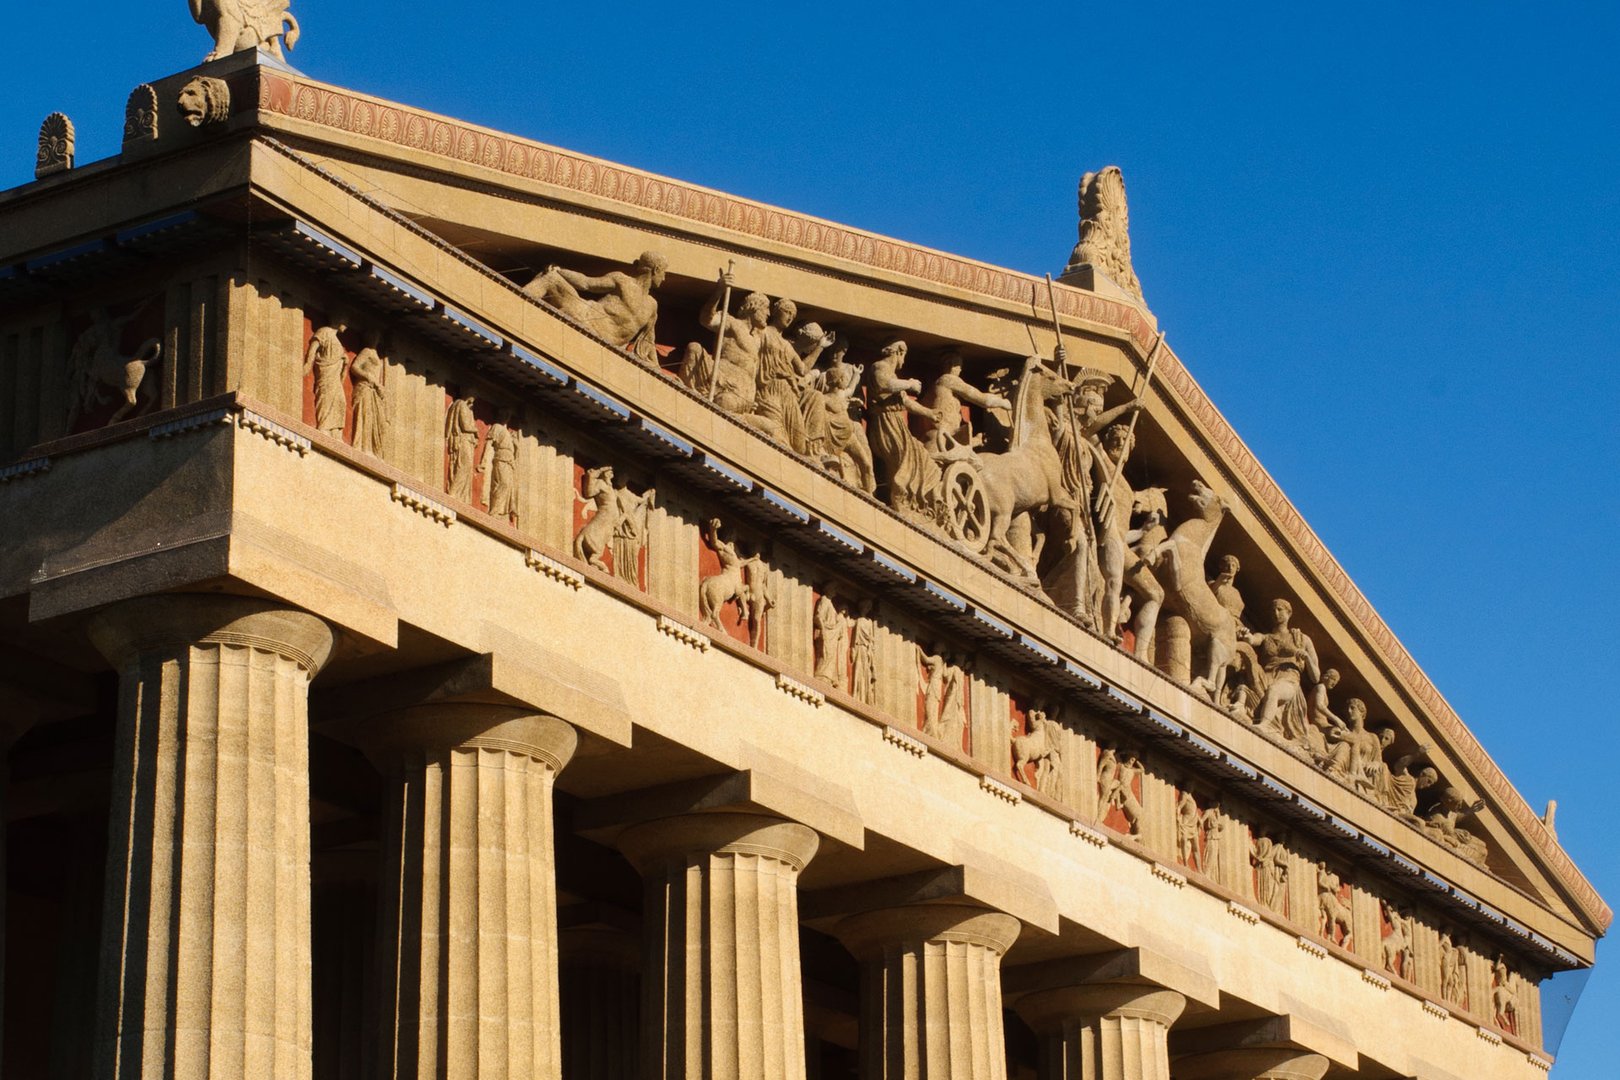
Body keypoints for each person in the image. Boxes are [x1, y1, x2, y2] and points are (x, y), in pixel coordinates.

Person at [524, 250, 666, 365]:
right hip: (584, 318)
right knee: (551, 278)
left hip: (602, 344)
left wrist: (658, 371)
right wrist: (560, 271)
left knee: (551, 279)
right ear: (656, 270)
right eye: (664, 273)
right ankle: (517, 302)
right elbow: (586, 283)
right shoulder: (623, 281)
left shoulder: (652, 306)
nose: (664, 278)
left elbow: (648, 344)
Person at [868, 340, 942, 518]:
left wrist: (929, 413)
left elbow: (906, 402)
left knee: (918, 455)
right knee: (902, 457)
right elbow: (884, 385)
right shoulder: (880, 367)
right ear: (899, 352)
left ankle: (909, 500)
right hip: (886, 421)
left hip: (895, 422)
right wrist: (908, 383)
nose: (904, 361)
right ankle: (899, 501)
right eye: (904, 356)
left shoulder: (893, 375)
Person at [680, 277, 770, 413]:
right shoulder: (732, 323)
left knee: (725, 402)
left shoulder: (758, 339)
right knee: (694, 348)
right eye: (765, 309)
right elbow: (706, 319)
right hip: (721, 378)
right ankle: (689, 396)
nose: (768, 313)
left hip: (742, 392)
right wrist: (719, 291)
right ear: (753, 307)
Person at [1245, 598, 1320, 745]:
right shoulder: (1267, 637)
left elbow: (1316, 677)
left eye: (1280, 609)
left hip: (1288, 680)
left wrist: (1307, 659)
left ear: (1289, 613)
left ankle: (1264, 725)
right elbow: (1254, 639)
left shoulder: (1302, 639)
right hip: (1266, 676)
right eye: (1273, 610)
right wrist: (1247, 636)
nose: (1276, 613)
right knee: (1245, 678)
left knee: (1274, 691)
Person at [924, 351, 1011, 453]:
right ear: (950, 365)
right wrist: (1004, 402)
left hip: (939, 439)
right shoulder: (948, 379)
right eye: (958, 366)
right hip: (942, 440)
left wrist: (976, 440)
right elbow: (982, 399)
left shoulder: (932, 388)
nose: (960, 369)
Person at [304, 321, 349, 437]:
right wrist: (308, 363)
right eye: (345, 320)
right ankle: (323, 427)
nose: (347, 324)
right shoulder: (324, 331)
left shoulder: (337, 340)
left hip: (336, 377)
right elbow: (313, 348)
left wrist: (344, 361)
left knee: (341, 401)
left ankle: (335, 431)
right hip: (326, 371)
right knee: (325, 396)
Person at [349, 330, 388, 456]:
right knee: (365, 416)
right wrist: (368, 376)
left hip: (374, 391)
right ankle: (363, 447)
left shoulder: (376, 354)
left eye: (376, 337)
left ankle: (370, 448)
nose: (374, 339)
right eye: (372, 336)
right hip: (365, 388)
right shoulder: (367, 351)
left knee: (376, 422)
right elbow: (355, 367)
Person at [444, 394, 478, 502]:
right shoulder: (462, 404)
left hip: (468, 441)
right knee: (464, 465)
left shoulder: (467, 408)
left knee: (466, 467)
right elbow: (465, 426)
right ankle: (453, 492)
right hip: (463, 440)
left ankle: (461, 496)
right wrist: (476, 430)